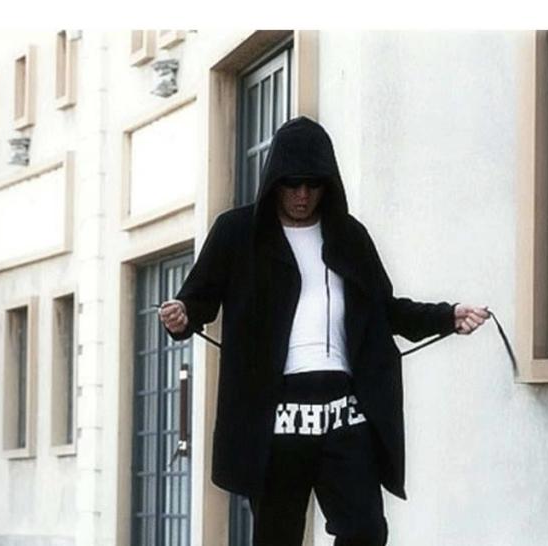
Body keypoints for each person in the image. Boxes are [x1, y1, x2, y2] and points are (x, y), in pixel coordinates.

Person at [159, 116, 489, 546]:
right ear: (274, 181)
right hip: (277, 419)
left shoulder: (349, 237)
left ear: (328, 184)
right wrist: (182, 314)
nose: (302, 195)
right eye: (291, 183)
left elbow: (385, 310)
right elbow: (198, 299)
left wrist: (448, 317)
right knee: (277, 538)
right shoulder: (238, 233)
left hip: (344, 412)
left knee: (366, 530)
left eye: (313, 184)